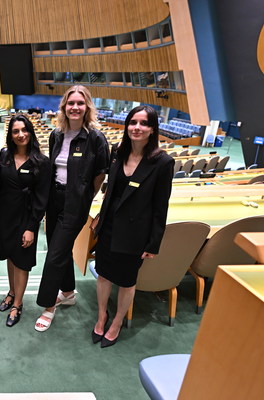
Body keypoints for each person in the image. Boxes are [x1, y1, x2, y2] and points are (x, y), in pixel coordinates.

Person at [91, 105, 174, 347]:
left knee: (127, 281)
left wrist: (154, 243)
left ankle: (116, 322)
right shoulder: (117, 151)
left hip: (136, 233)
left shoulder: (162, 162)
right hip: (109, 227)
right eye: (133, 122)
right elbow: (111, 192)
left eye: (144, 123)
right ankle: (101, 316)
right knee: (104, 275)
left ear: (152, 129)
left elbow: (161, 207)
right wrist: (99, 218)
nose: (137, 128)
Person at [34, 85, 110, 332]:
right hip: (54, 199)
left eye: (80, 103)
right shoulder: (57, 134)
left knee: (54, 254)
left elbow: (100, 174)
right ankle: (68, 292)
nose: (75, 107)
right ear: (64, 107)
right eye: (70, 103)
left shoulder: (96, 138)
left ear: (87, 106)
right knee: (61, 249)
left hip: (76, 203)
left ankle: (48, 306)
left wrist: (85, 196)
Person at [0, 115, 51, 327]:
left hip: (26, 217)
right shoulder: (5, 155)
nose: (20, 135)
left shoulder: (41, 162)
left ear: (31, 132)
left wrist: (31, 227)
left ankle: (17, 304)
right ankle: (11, 291)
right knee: (10, 255)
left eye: (24, 130)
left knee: (22, 261)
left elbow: (41, 198)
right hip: (6, 215)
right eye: (16, 131)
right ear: (10, 134)